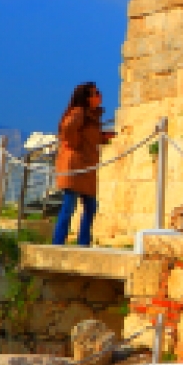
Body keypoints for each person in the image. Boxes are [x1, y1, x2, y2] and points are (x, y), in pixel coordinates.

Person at [52, 81, 112, 247]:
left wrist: (103, 137)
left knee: (90, 206)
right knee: (69, 207)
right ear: (86, 98)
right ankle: (58, 243)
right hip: (75, 165)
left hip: (86, 166)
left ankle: (83, 242)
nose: (99, 95)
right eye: (95, 93)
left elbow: (88, 136)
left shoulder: (92, 116)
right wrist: (73, 143)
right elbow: (67, 127)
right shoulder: (79, 112)